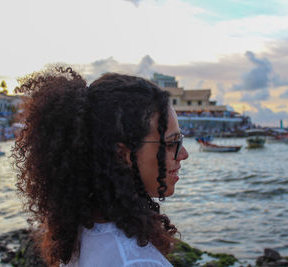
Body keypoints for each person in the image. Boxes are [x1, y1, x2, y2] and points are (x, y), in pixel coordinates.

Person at [12, 67, 189, 267]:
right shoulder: (136, 262)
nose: (183, 155)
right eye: (172, 143)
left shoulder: (82, 236)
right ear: (122, 155)